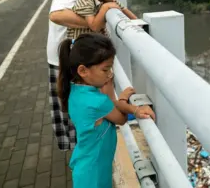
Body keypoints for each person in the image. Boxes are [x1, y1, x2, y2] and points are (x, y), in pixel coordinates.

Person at [47, 0, 129, 151]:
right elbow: (56, 15)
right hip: (67, 58)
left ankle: (79, 152)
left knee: (81, 110)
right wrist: (97, 22)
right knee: (77, 112)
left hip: (74, 57)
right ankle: (80, 154)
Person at [58, 33, 155, 187]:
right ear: (83, 71)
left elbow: (109, 107)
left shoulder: (75, 90)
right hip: (94, 174)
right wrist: (133, 108)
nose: (110, 74)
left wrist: (116, 100)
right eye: (105, 70)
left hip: (86, 165)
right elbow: (121, 119)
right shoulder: (97, 101)